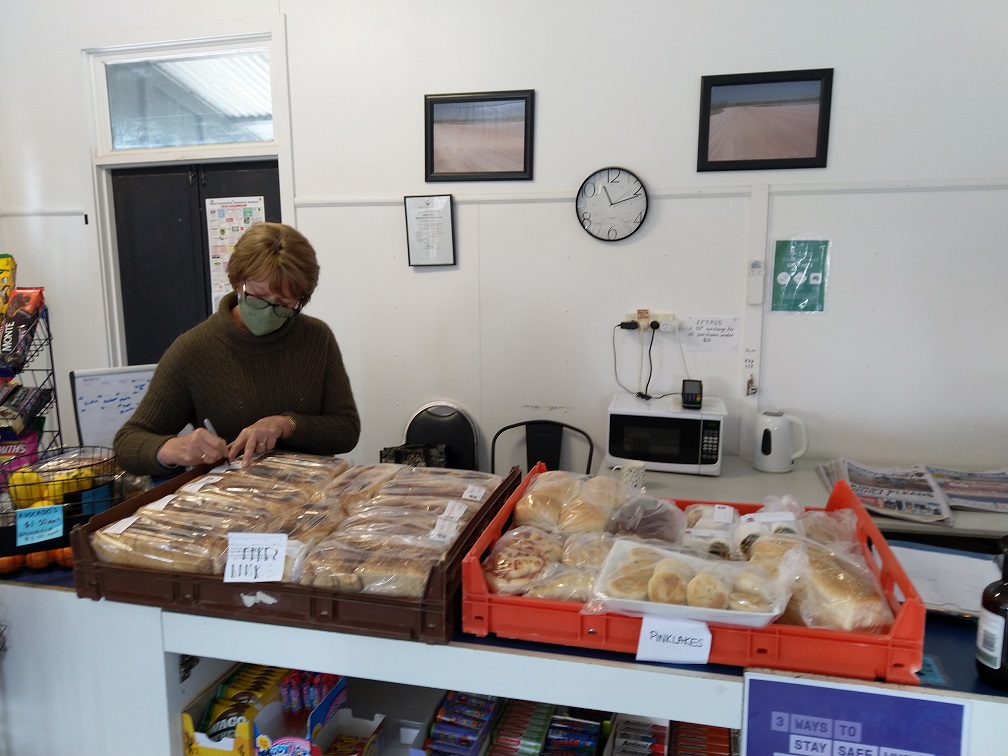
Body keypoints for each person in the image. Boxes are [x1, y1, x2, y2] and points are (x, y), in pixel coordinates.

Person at [114, 222, 360, 476]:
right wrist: (172, 448)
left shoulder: (316, 338)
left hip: (312, 498)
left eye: (283, 304)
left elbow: (346, 430)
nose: (268, 311)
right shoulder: (194, 350)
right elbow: (127, 443)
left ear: (301, 299)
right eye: (258, 297)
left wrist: (286, 424)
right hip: (234, 501)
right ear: (237, 281)